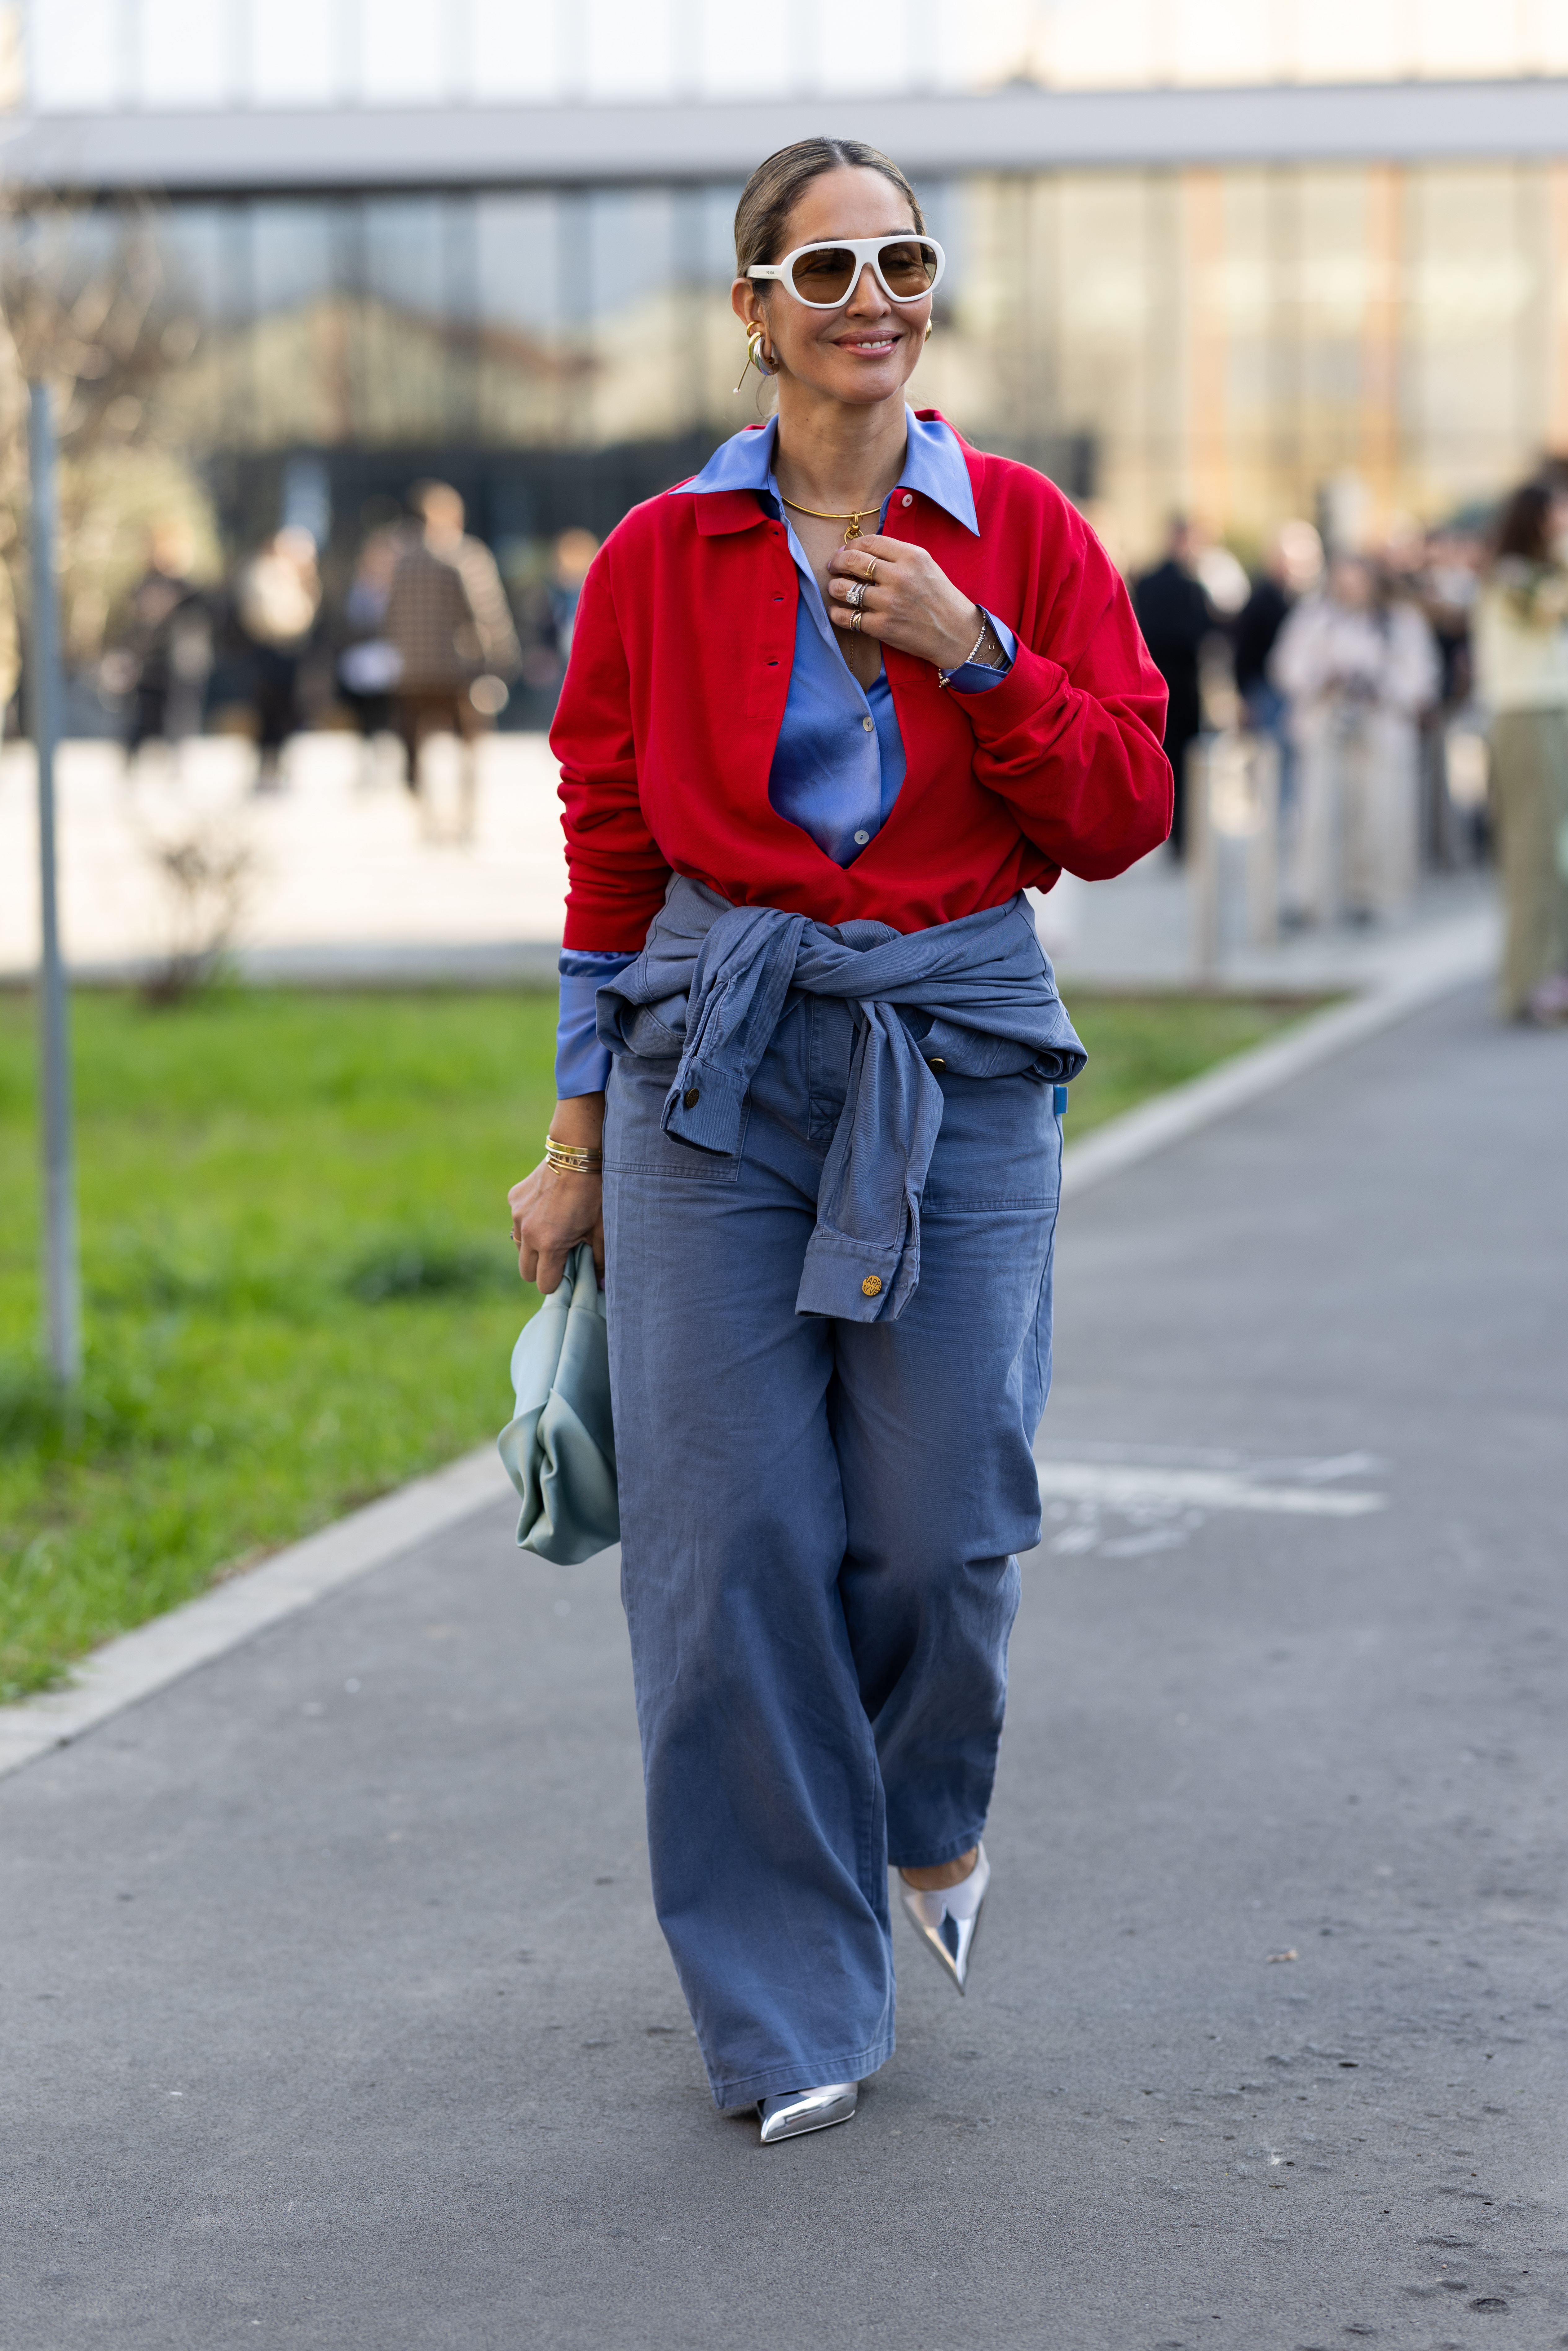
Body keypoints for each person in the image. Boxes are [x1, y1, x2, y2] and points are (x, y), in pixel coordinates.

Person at [508, 137, 1170, 2147]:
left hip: (948, 1062)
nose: (868, 293)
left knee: (940, 1522)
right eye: (824, 267)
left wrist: (975, 654)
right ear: (752, 312)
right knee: (723, 1552)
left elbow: (1122, 804)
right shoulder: (655, 559)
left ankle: (927, 1810)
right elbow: (608, 849)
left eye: (901, 257)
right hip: (706, 1072)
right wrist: (572, 1136)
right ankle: (786, 2003)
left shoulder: (1025, 535)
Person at [1270, 553, 1439, 926]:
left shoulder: (1400, 621)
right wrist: (1324, 677)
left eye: (1356, 580)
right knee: (1317, 815)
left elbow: (1421, 678)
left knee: (1382, 813)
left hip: (1382, 731)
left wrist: (1381, 686)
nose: (1349, 589)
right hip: (1326, 729)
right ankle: (1313, 898)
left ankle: (1378, 897)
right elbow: (1287, 666)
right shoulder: (1314, 617)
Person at [1471, 480, 1568, 1023]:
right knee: (1532, 850)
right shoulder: (1511, 577)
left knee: (1553, 849)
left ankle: (1548, 968)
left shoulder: (1532, 574)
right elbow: (1547, 608)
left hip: (1546, 712)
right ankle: (1526, 981)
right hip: (1522, 715)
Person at [382, 481, 521, 833]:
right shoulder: (465, 556)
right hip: (460, 671)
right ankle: (466, 819)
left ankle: (427, 818)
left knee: (419, 747)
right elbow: (487, 613)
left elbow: (389, 615)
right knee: (469, 749)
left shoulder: (402, 561)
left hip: (413, 672)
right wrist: (503, 658)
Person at [1132, 517, 1210, 857]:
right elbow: (1202, 633)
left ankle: (1163, 832)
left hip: (1153, 684)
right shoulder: (1191, 586)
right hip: (1183, 685)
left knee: (1161, 759)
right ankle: (1183, 836)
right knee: (1184, 762)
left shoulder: (1148, 582)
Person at [235, 526, 321, 791]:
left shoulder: (298, 577)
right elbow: (271, 616)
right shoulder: (263, 572)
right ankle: (266, 767)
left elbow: (307, 615)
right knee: (267, 713)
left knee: (289, 713)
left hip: (292, 651)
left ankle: (280, 766)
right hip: (268, 650)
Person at [121, 522, 214, 756]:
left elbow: (202, 616)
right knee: (144, 710)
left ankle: (176, 751)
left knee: (180, 708)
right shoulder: (144, 582)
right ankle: (134, 755)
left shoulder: (188, 587)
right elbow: (134, 619)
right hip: (150, 658)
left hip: (181, 659)